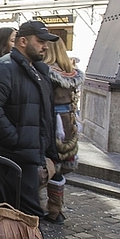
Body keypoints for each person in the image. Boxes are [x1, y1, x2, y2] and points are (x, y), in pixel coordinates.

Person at [0, 20, 85, 239]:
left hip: (25, 154)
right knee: (29, 213)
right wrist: (16, 141)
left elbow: (45, 117)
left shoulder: (38, 71)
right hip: (11, 156)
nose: (45, 45)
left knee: (0, 205)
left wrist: (48, 152)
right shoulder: (3, 69)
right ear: (23, 41)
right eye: (40, 40)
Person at [43, 37, 84, 224]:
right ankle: (55, 209)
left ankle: (44, 207)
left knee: (48, 162)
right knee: (59, 166)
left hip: (51, 121)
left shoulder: (46, 72)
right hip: (68, 121)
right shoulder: (71, 72)